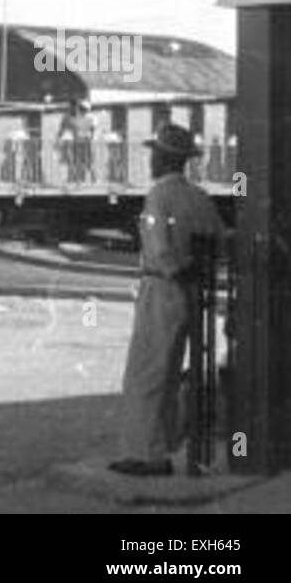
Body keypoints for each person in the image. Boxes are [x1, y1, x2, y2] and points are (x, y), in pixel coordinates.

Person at [110, 124, 225, 477]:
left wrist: (175, 268)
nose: (151, 160)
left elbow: (159, 247)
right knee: (170, 371)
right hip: (189, 292)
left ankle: (148, 454)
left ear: (164, 158)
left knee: (145, 371)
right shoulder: (199, 197)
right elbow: (218, 237)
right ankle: (163, 446)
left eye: (155, 154)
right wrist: (192, 270)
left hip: (161, 286)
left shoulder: (158, 195)